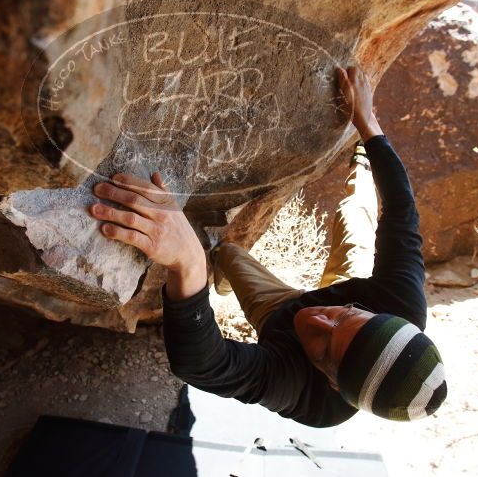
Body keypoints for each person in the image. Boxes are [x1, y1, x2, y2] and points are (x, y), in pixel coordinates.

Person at [87, 66, 447, 427]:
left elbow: (206, 366)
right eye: (347, 315)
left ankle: (221, 276)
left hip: (276, 311)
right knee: (356, 214)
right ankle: (362, 166)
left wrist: (189, 263)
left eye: (324, 346)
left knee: (225, 255)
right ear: (381, 316)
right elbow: (401, 211)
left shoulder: (308, 397)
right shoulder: (401, 302)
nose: (316, 319)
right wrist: (368, 124)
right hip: (347, 283)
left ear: (334, 384)